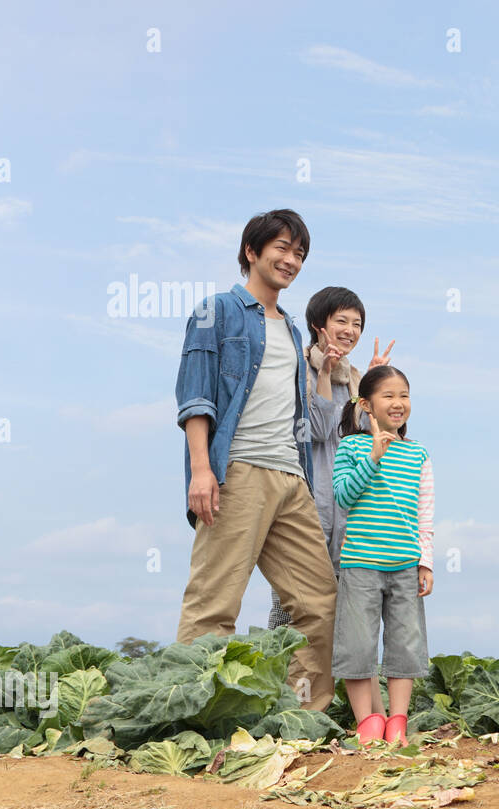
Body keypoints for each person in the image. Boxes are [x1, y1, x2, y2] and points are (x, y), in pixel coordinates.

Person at [174, 209, 338, 712]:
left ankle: (302, 715)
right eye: (282, 248)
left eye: (300, 254)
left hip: (292, 478)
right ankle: (189, 715)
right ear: (252, 251)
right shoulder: (217, 310)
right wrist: (203, 471)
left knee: (318, 602)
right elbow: (196, 398)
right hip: (238, 471)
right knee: (214, 605)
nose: (291, 260)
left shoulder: (291, 328)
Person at [266, 287, 394, 631]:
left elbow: (372, 439)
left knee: (342, 615)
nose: (350, 330)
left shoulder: (355, 380)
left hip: (349, 510)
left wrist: (372, 386)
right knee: (291, 609)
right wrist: (323, 373)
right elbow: (318, 430)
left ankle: (329, 684)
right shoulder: (297, 369)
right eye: (341, 320)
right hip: (307, 504)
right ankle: (282, 681)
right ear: (317, 324)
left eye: (357, 323)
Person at [330, 365, 434, 745]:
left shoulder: (417, 453)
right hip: (359, 564)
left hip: (406, 566)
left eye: (404, 395)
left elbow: (425, 512)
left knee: (405, 646)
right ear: (366, 405)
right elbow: (343, 497)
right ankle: (368, 724)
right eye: (388, 395)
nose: (398, 403)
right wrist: (373, 456)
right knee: (357, 645)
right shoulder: (351, 447)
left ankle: (398, 723)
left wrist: (426, 562)